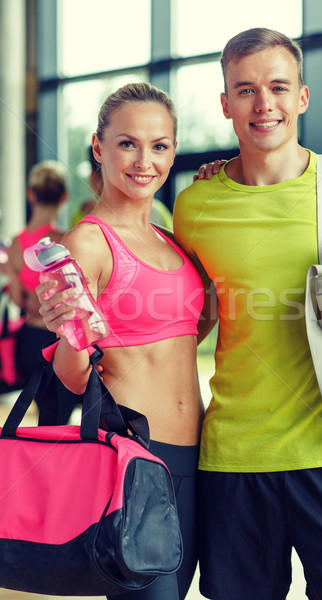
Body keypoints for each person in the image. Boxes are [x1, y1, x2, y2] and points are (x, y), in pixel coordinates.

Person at [173, 27, 322, 600]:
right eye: (245, 90)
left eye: (278, 86)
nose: (264, 103)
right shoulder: (196, 205)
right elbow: (189, 318)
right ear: (224, 103)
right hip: (232, 460)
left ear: (302, 95)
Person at [36, 82, 205, 600]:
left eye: (159, 146)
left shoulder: (171, 238)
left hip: (196, 460)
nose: (144, 160)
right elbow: (70, 374)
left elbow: (190, 330)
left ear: (173, 151)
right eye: (127, 143)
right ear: (98, 146)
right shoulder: (87, 242)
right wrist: (72, 331)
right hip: (133, 461)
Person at [6, 160, 68, 387]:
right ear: (64, 196)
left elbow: (17, 300)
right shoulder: (64, 241)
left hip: (30, 339)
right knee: (62, 418)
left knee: (44, 418)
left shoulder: (15, 245)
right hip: (61, 341)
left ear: (30, 194)